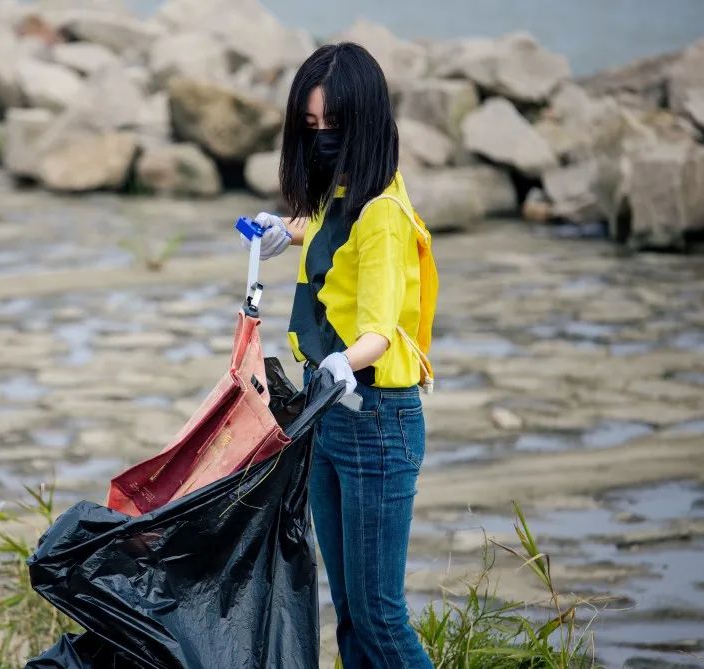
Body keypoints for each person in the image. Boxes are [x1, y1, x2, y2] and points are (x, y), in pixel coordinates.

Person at [239, 42, 434, 669]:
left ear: (367, 123)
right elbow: (324, 221)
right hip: (329, 415)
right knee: (348, 612)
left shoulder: (383, 214)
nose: (322, 140)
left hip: (376, 417)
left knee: (379, 615)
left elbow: (379, 331)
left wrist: (345, 362)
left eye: (335, 127)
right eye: (310, 127)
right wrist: (284, 229)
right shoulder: (348, 193)